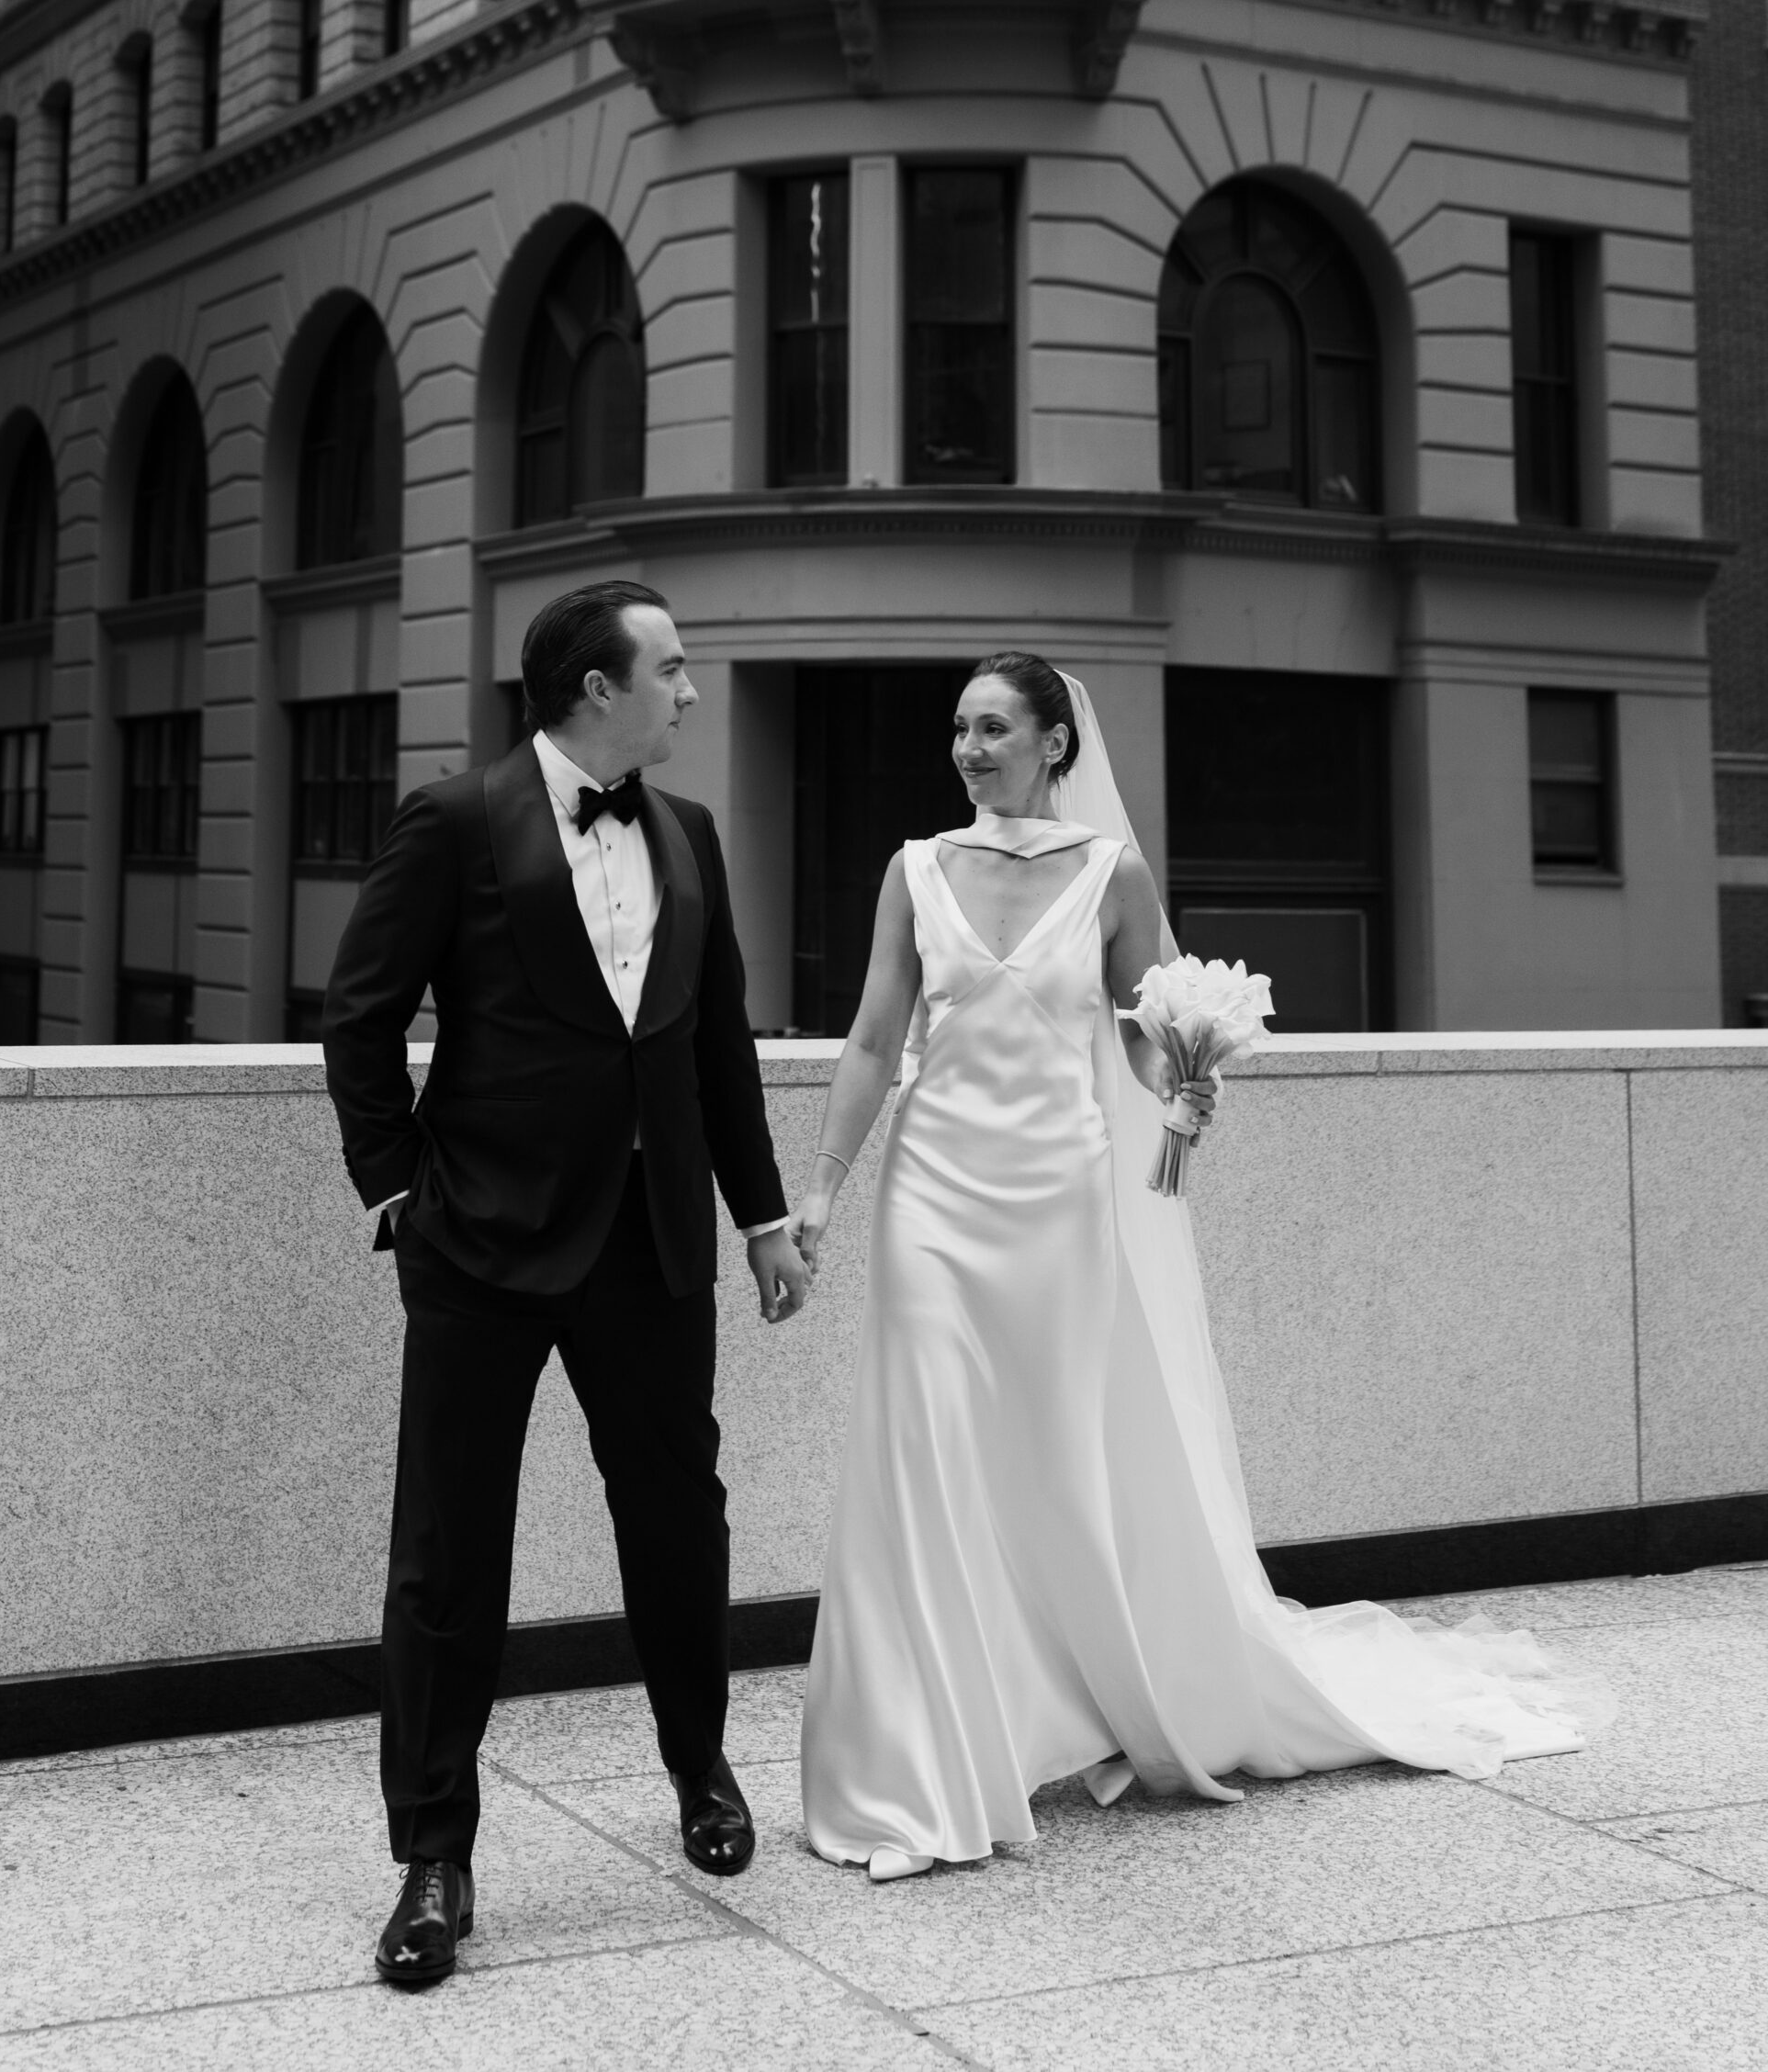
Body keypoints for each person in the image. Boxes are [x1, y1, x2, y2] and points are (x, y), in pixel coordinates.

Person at [794, 652, 1604, 1881]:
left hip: (1060, 1204)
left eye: (996, 727)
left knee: (1055, 1465)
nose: (969, 748)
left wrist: (1185, 1086)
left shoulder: (1108, 875)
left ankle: (1082, 1698)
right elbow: (868, 1040)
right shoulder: (916, 871)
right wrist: (819, 1193)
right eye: (959, 728)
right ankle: (923, 1769)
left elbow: (1140, 1033)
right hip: (932, 1204)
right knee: (922, 1457)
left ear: (1057, 743)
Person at [322, 580, 813, 1982]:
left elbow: (717, 1055)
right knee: (447, 1552)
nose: (692, 690)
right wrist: (401, 1191)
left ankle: (701, 1771)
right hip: (479, 1249)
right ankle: (434, 1859)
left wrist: (762, 1217)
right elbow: (359, 1019)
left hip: (652, 1246)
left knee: (678, 1523)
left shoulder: (694, 836)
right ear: (598, 688)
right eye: (672, 666)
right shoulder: (459, 821)